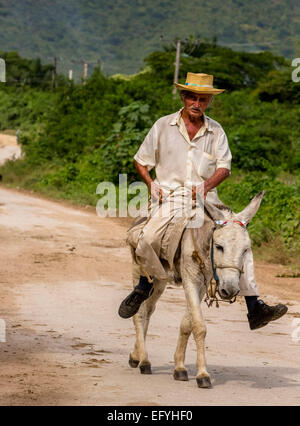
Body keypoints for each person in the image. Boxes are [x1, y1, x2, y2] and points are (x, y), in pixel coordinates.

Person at [118, 72, 288, 330]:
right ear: (183, 97)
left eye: (203, 99)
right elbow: (141, 161)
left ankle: (254, 306)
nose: (197, 103)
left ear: (208, 102)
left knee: (238, 238)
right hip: (170, 197)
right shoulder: (163, 125)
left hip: (207, 201)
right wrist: (151, 184)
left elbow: (224, 167)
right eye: (192, 98)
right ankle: (144, 285)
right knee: (146, 239)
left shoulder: (216, 131)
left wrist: (205, 187)